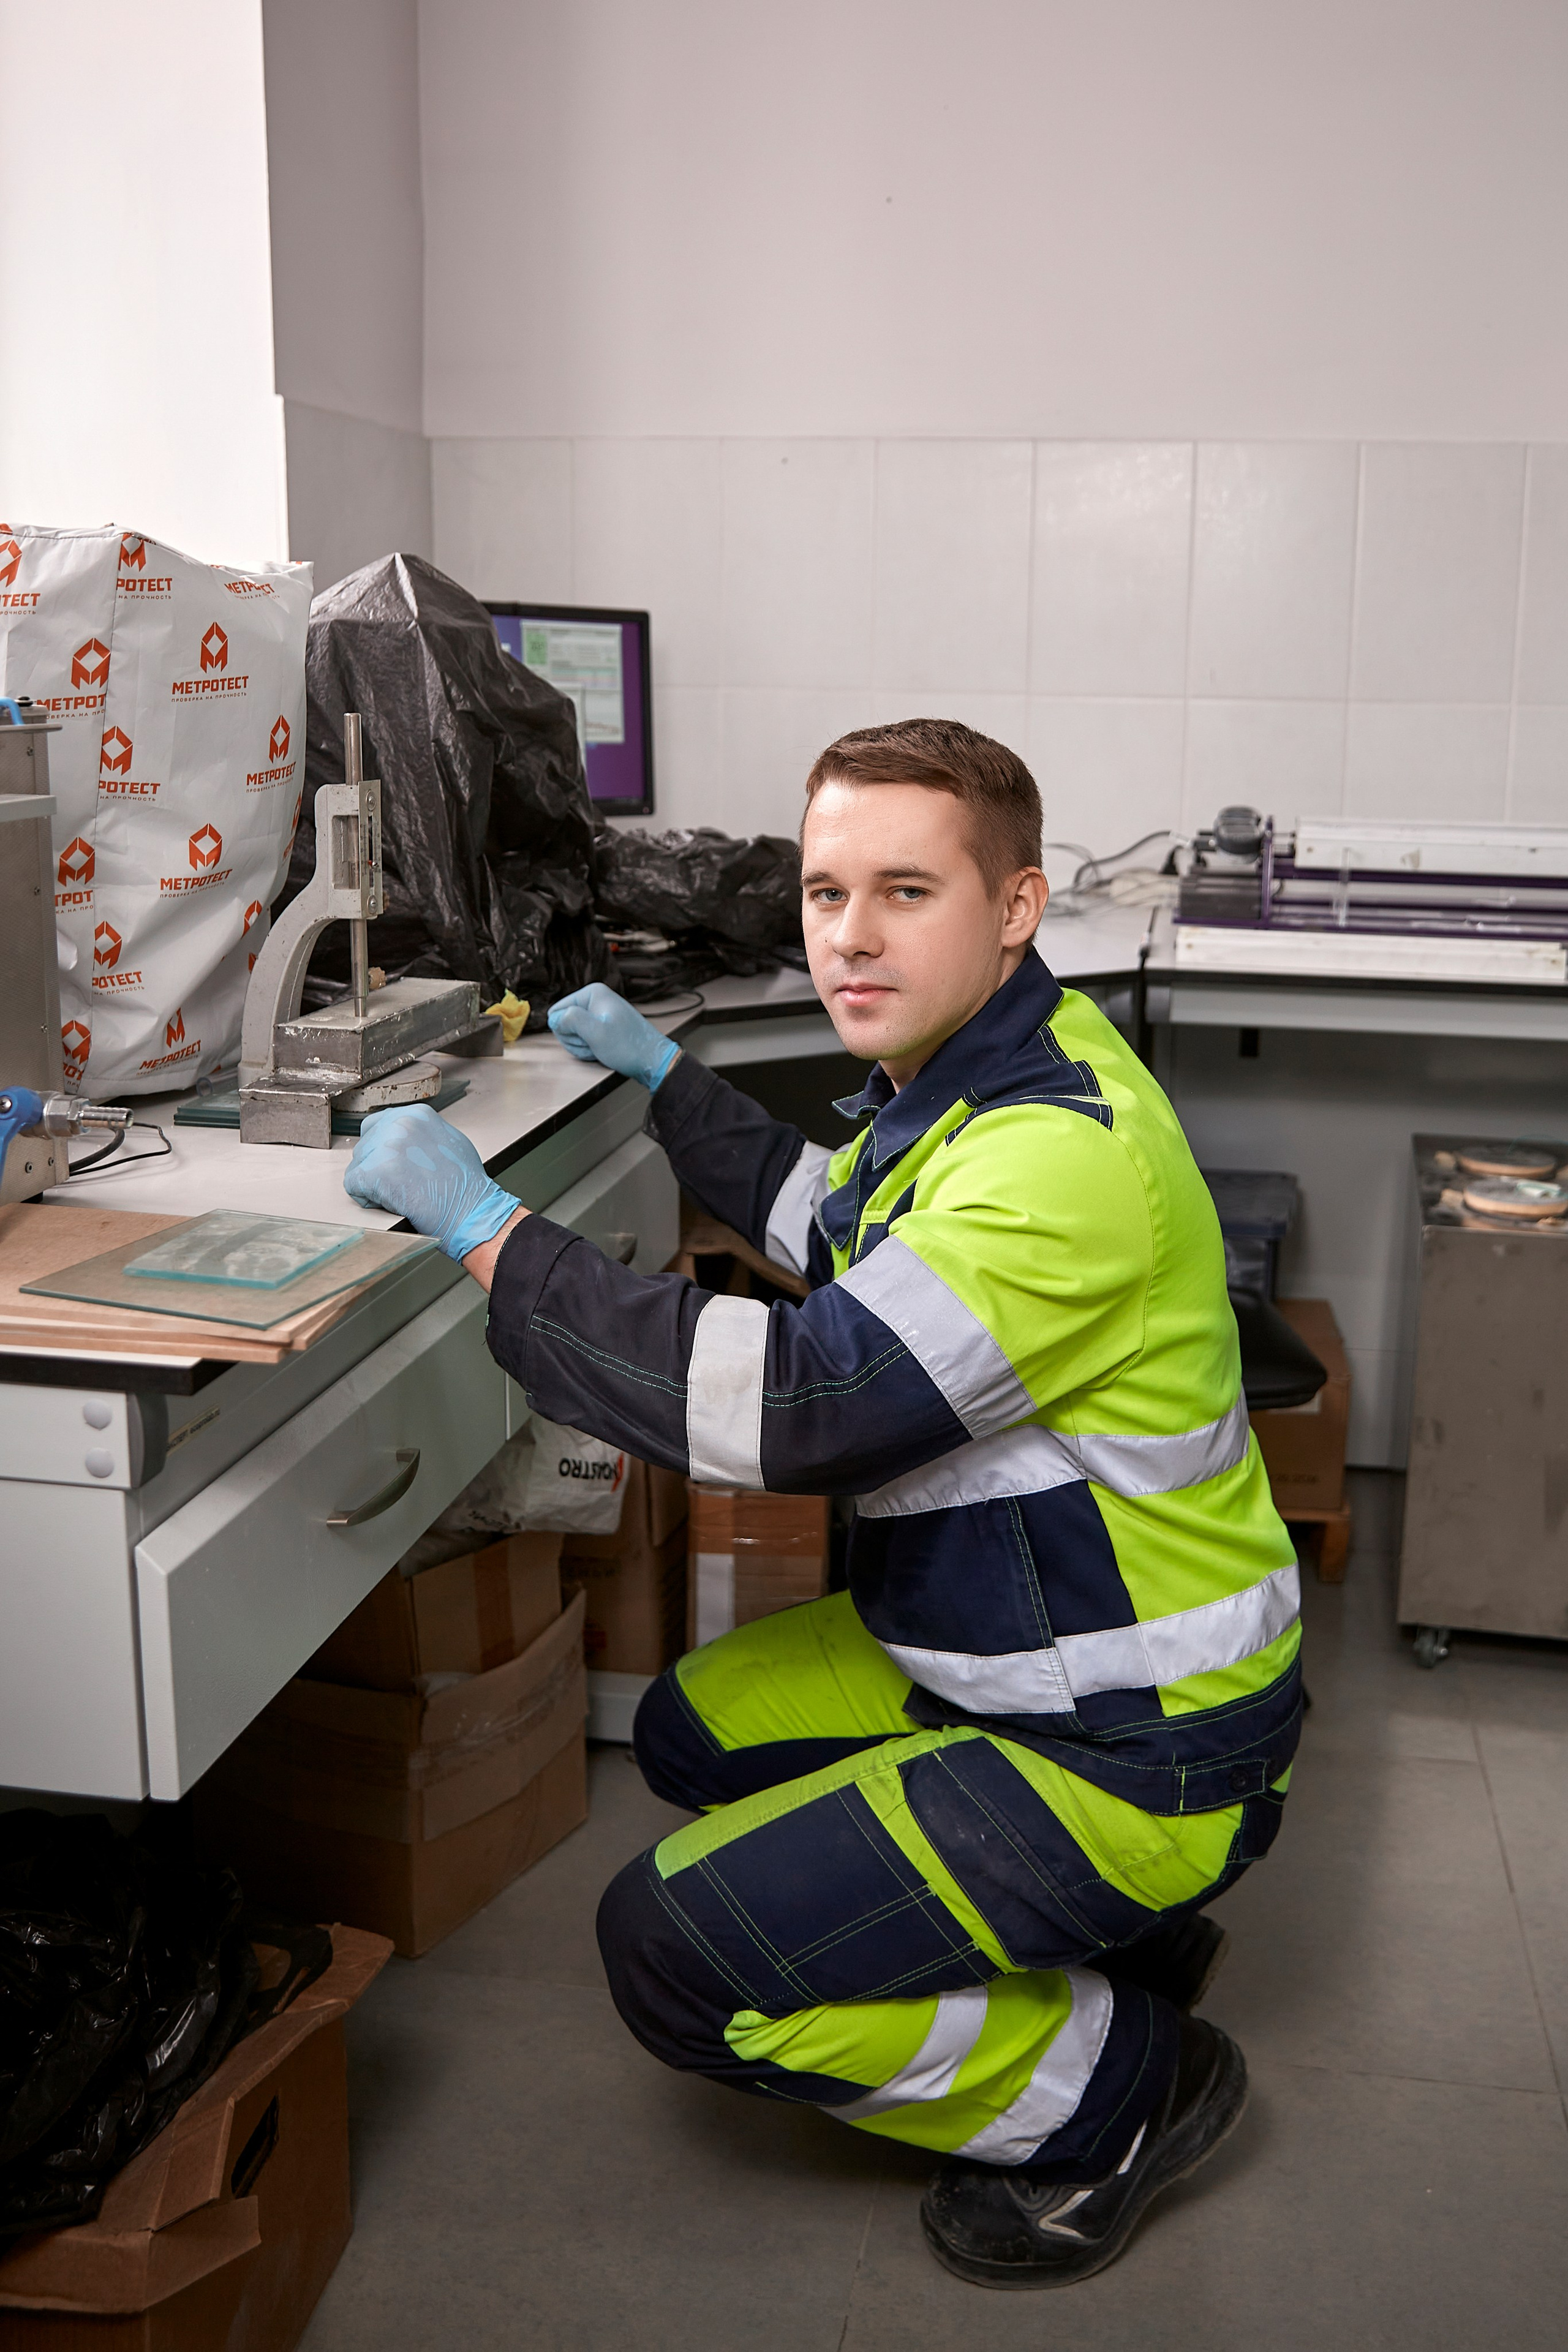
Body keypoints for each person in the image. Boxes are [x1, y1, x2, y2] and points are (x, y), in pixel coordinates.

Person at [344, 718, 1301, 2290]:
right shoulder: (969, 1075)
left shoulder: (1052, 1154)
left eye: (905, 891)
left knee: (670, 1957)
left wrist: (490, 1234)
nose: (847, 937)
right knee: (689, 1732)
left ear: (1014, 906)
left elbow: (803, 1402)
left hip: (1139, 1732)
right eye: (822, 890)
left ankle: (1121, 2087)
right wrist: (666, 1083)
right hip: (1029, 1642)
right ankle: (1075, 1931)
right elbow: (840, 1225)